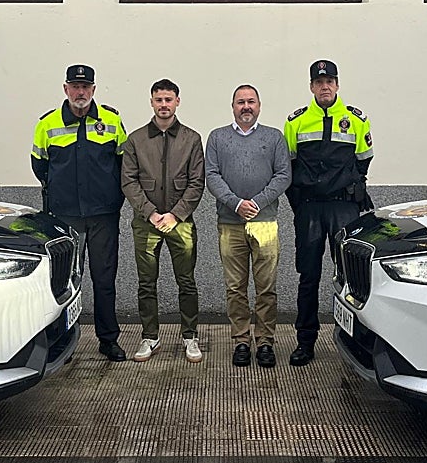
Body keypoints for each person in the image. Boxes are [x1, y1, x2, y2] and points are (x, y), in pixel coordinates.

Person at [32, 64, 128, 362]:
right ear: (65, 89)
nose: (80, 92)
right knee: (66, 280)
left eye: (86, 87)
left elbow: (124, 162)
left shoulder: (111, 120)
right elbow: (39, 166)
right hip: (65, 216)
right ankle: (64, 341)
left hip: (103, 214)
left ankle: (108, 340)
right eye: (75, 86)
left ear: (94, 90)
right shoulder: (47, 124)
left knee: (104, 278)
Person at [282, 59, 373, 366]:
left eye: (330, 81)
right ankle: (305, 342)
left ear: (337, 84)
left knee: (350, 279)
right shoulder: (295, 122)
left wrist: (352, 192)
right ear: (311, 87)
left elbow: (363, 162)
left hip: (343, 208)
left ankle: (353, 341)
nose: (324, 86)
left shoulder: (356, 119)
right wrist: (299, 205)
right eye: (319, 82)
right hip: (309, 209)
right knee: (308, 276)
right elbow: (288, 168)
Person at [120, 79, 206, 363]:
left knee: (187, 282)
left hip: (180, 223)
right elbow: (129, 182)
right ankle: (150, 337)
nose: (164, 105)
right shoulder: (136, 140)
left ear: (177, 101)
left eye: (169, 99)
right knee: (146, 283)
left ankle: (190, 337)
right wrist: (151, 213)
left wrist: (175, 214)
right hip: (147, 223)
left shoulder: (192, 139)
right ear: (151, 102)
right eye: (159, 100)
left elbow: (197, 183)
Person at [205, 84, 291, 368]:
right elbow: (212, 176)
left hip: (265, 223)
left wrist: (256, 201)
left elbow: (283, 176)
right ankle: (241, 341)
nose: (246, 107)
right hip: (230, 224)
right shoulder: (217, 138)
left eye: (251, 102)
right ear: (232, 106)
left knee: (266, 287)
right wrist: (235, 203)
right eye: (240, 102)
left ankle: (265, 342)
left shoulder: (274, 137)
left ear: (259, 106)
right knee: (235, 288)